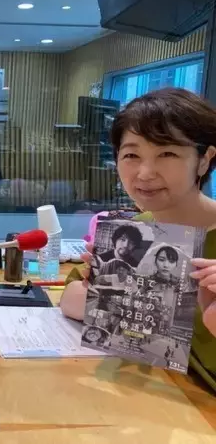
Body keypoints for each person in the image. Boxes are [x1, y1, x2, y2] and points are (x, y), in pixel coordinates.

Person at [60, 87, 216, 392]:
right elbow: (69, 298)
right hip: (151, 394)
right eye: (131, 155)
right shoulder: (136, 230)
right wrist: (104, 291)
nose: (144, 173)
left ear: (204, 159)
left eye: (167, 153)